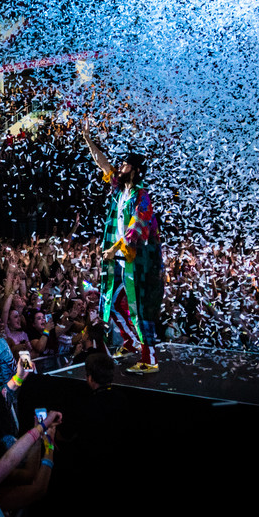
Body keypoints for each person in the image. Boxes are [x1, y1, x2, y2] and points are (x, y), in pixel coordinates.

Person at [82, 120, 164, 374]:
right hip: (116, 259)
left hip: (135, 262)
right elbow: (103, 163)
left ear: (136, 170)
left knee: (138, 309)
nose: (120, 166)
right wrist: (87, 138)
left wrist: (114, 249)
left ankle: (150, 360)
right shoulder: (119, 191)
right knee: (112, 304)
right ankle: (129, 342)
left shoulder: (142, 196)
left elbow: (136, 230)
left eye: (126, 164)